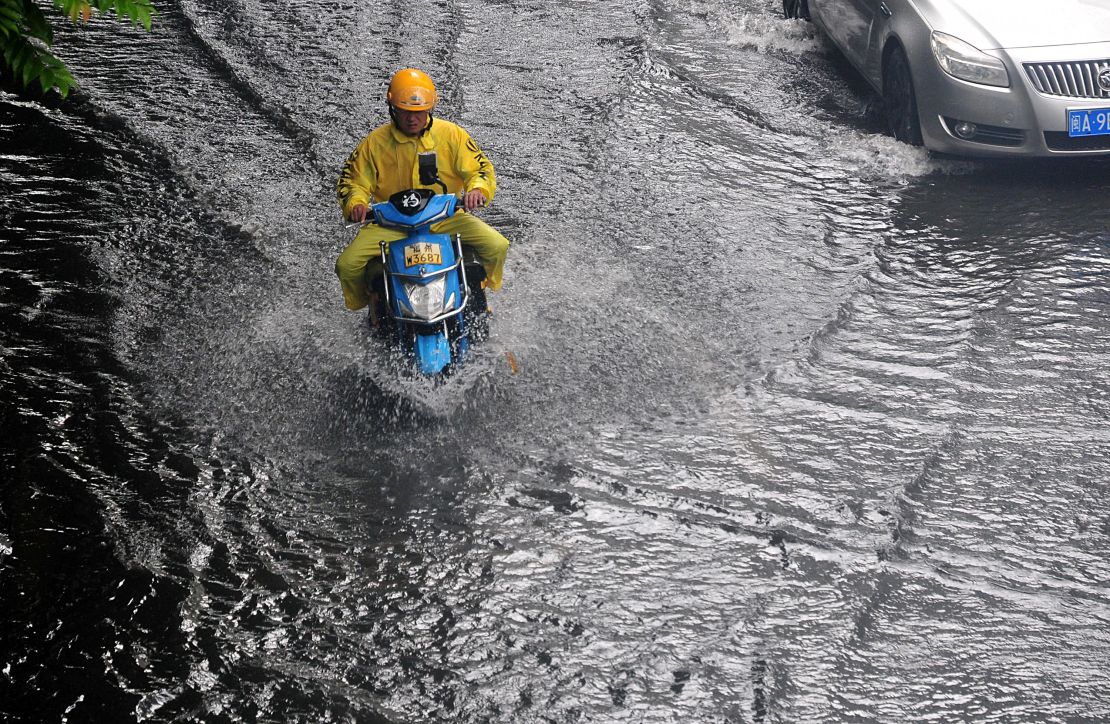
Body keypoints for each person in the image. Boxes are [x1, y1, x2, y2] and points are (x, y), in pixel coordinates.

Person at [335, 68, 510, 315]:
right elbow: (353, 182)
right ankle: (371, 302)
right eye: (405, 111)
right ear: (392, 107)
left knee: (497, 245)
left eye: (418, 112)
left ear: (429, 109)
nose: (411, 119)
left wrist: (477, 190)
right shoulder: (374, 143)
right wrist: (356, 203)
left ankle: (482, 288)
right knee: (347, 265)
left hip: (445, 218)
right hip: (391, 223)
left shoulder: (453, 135)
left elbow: (480, 169)